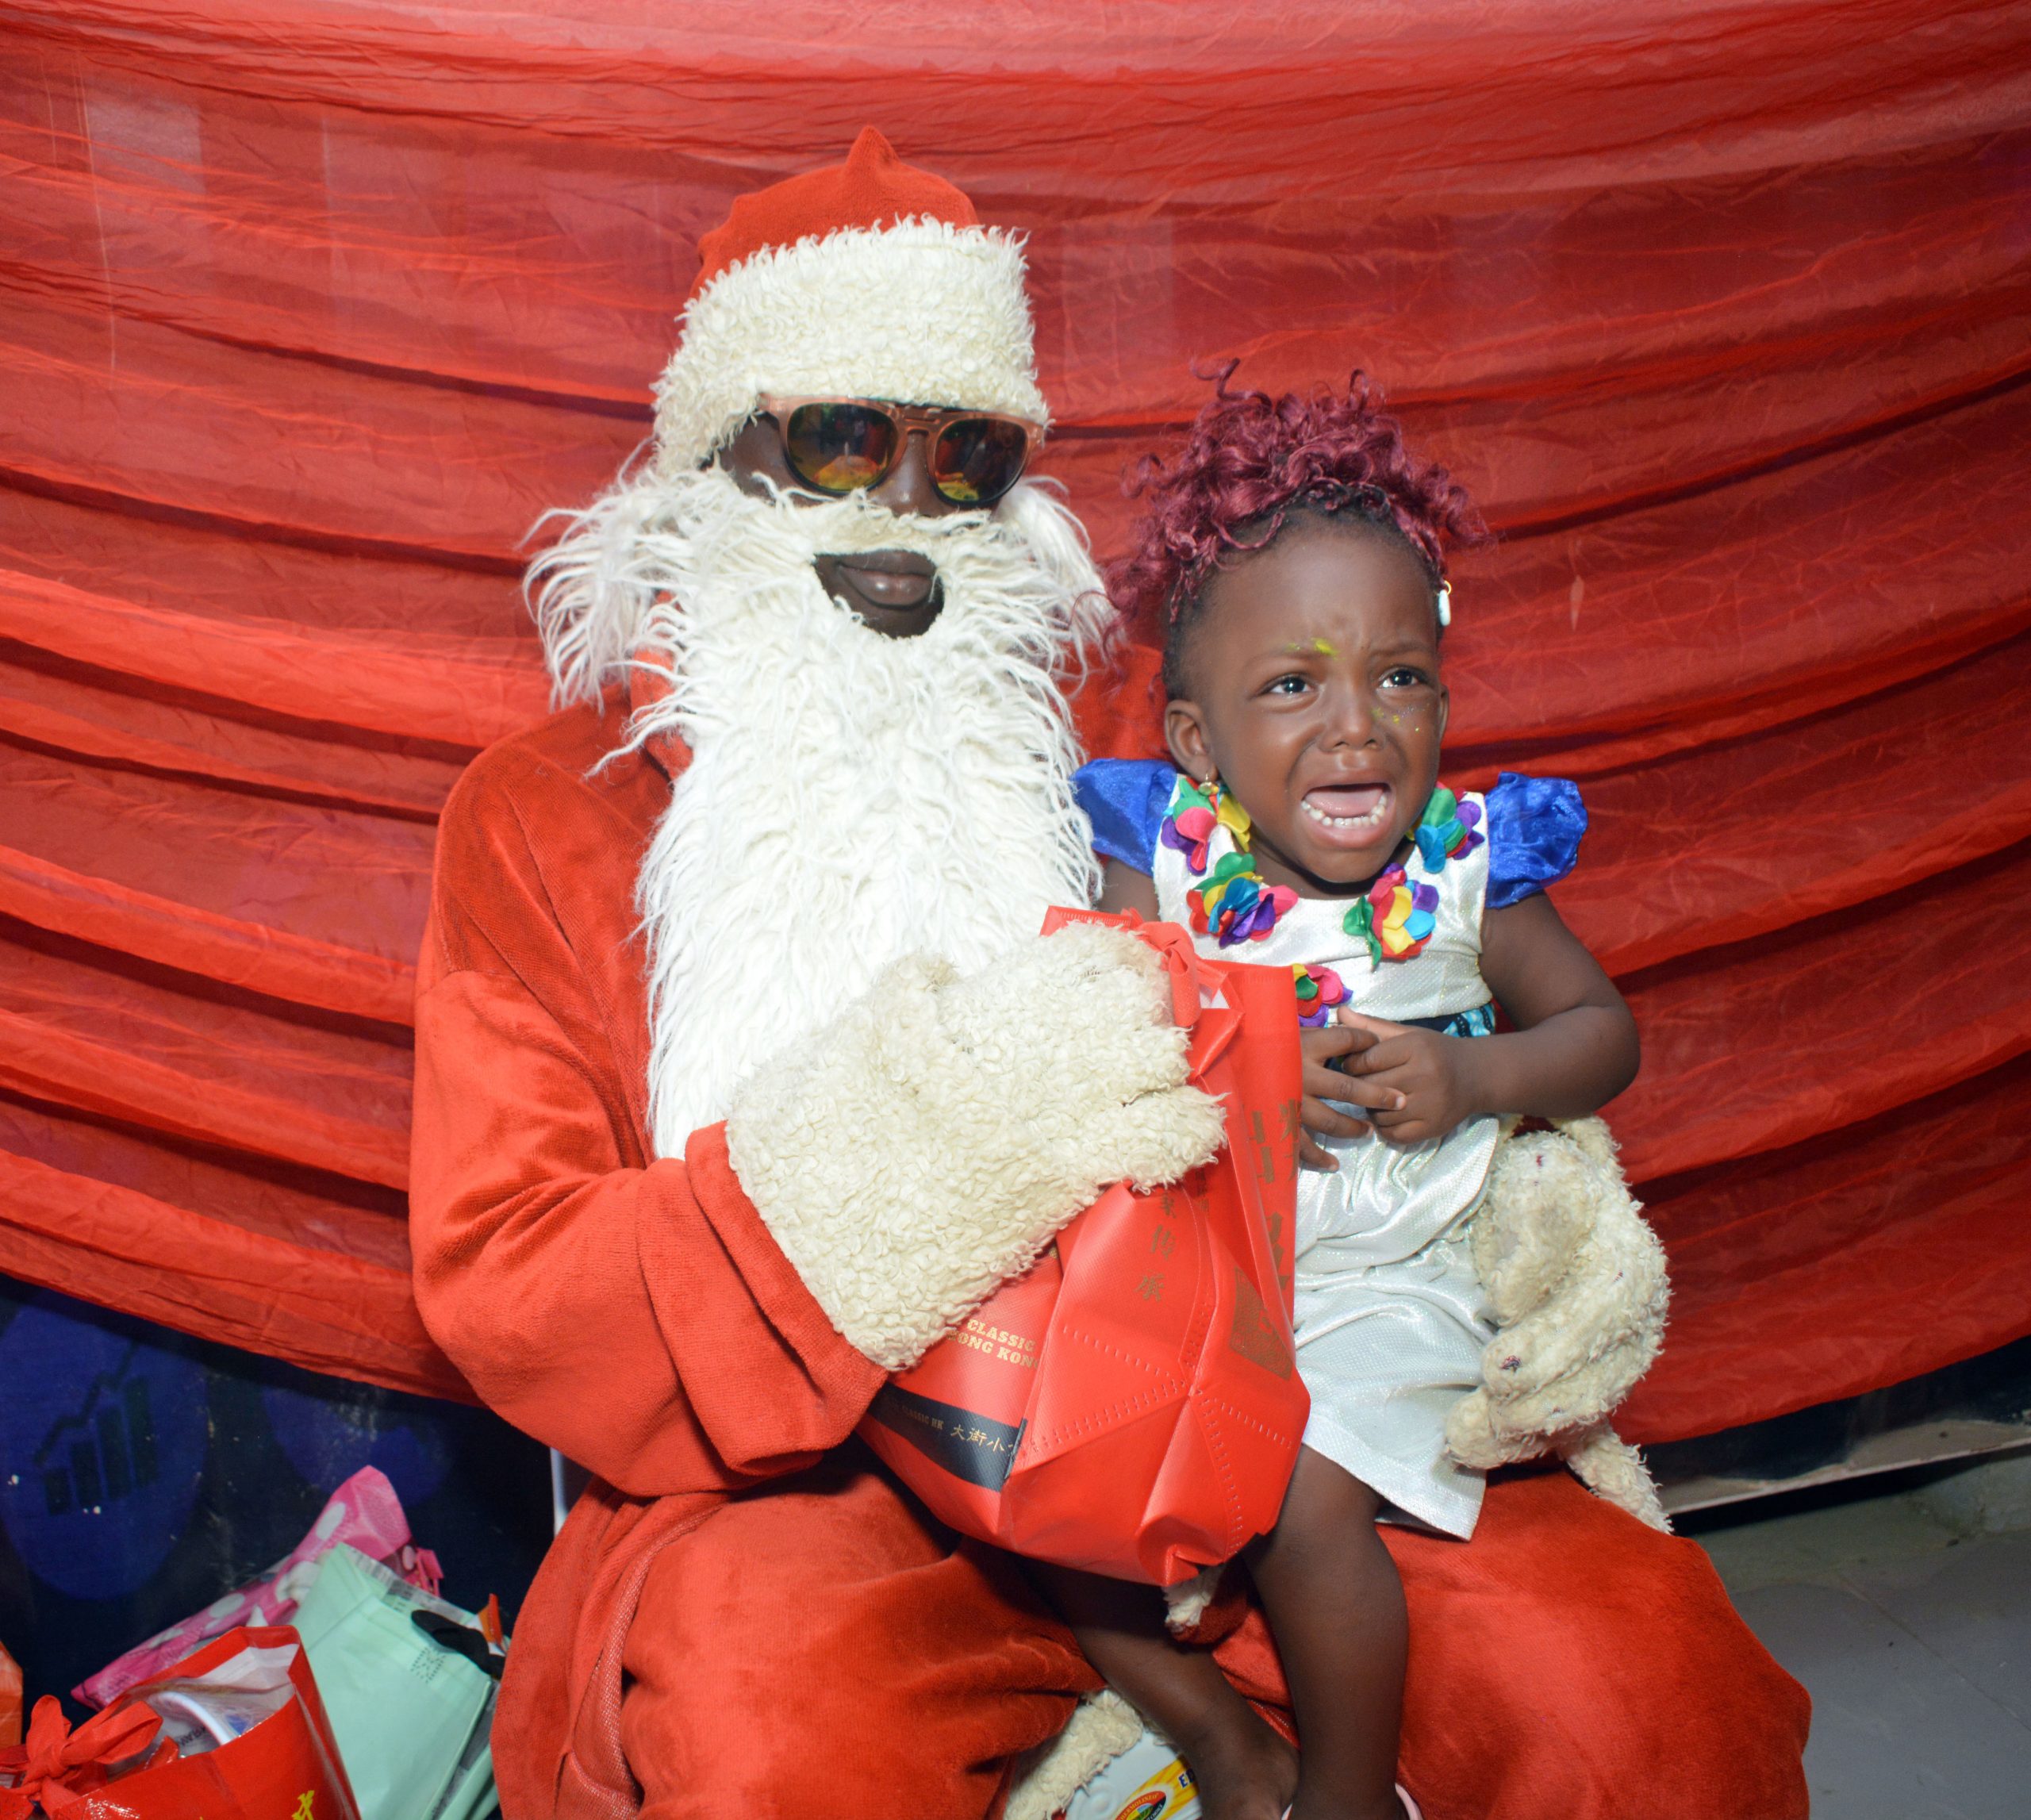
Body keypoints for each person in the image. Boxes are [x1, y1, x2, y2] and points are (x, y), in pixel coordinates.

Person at [406, 130, 1812, 1820]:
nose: (904, 509)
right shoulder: (553, 814)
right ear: (720, 458)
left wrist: (1531, 1187)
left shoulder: (1119, 746)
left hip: (1237, 1406)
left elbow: (1377, 953)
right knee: (771, 1734)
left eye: (966, 454)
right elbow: (510, 1276)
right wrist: (925, 1147)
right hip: (822, 1482)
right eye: (842, 439)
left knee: (1638, 1690)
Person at [1054, 373, 1639, 1820]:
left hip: (1389, 1278)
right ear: (1198, 742)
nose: (1357, 728)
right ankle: (1215, 1735)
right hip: (1206, 1265)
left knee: (1305, 1496)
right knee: (1049, 1489)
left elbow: (1603, 1035)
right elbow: (1092, 1033)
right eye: (1292, 685)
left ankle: (1346, 1795)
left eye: (1399, 676)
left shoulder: (1468, 870)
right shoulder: (1161, 862)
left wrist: (1476, 1072)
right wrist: (1237, 1060)